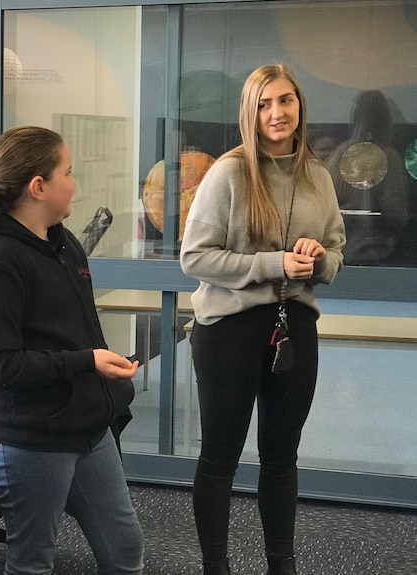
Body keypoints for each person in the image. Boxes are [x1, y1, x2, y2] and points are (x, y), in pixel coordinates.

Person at [0, 125, 145, 574]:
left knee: (124, 548)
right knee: (33, 560)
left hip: (86, 428)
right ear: (38, 187)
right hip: (30, 438)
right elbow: (0, 367)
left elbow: (70, 330)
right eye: (68, 172)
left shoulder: (61, 241)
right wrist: (87, 361)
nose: (74, 182)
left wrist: (94, 362)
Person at [180, 64, 345, 575]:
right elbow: (194, 257)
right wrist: (271, 263)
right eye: (264, 104)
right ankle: (216, 566)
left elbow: (337, 253)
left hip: (295, 329)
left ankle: (282, 565)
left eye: (286, 101)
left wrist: (318, 259)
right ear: (250, 111)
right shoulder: (229, 172)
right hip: (229, 330)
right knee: (221, 457)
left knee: (281, 457)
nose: (277, 113)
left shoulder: (317, 174)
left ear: (299, 105)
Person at [325, 89, 410, 265]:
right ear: (386, 119)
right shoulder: (389, 157)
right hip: (378, 252)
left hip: (342, 252)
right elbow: (396, 213)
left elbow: (324, 207)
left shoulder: (338, 154)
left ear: (354, 117)